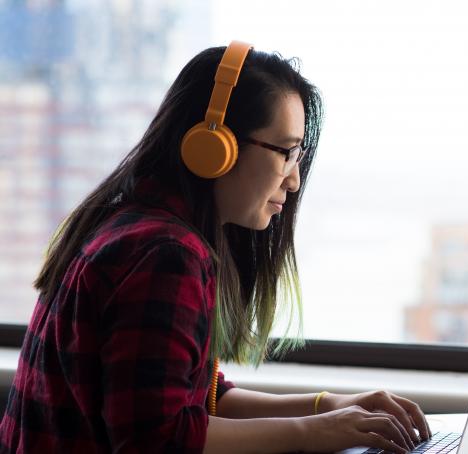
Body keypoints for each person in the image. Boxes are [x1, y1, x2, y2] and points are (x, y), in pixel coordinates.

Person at [0, 41, 430, 454]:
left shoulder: (133, 224)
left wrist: (328, 406)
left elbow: (201, 398)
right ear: (215, 146)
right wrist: (314, 432)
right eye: (285, 152)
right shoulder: (164, 255)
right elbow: (158, 439)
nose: (294, 180)